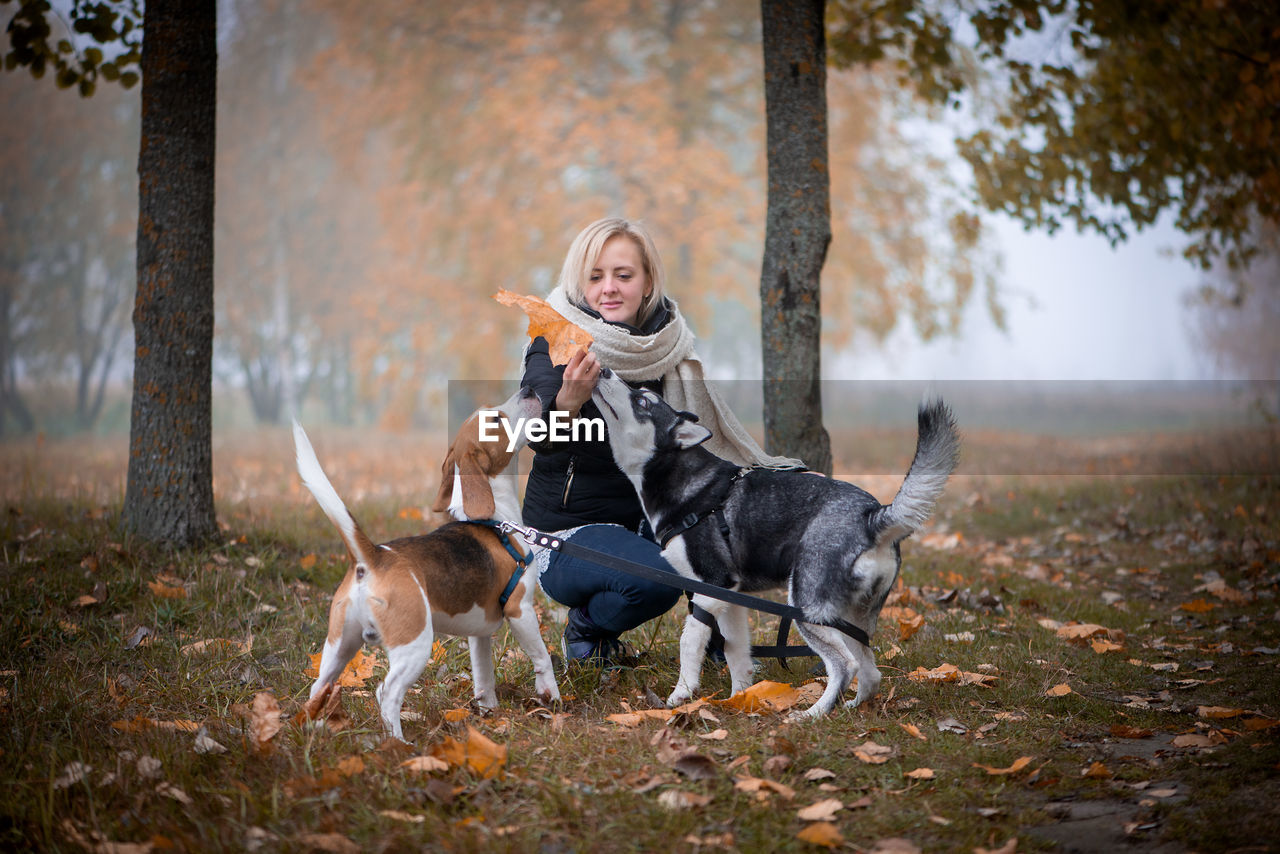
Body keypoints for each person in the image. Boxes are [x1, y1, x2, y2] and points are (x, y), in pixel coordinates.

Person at [519, 216, 802, 664]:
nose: (608, 288)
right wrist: (568, 403)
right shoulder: (555, 341)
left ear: (647, 282)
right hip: (568, 530)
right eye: (595, 277)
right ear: (580, 282)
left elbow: (706, 456)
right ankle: (586, 627)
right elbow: (534, 435)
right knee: (656, 578)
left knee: (725, 523)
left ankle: (713, 638)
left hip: (650, 518)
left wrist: (784, 481)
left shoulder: (668, 346)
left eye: (623, 275)